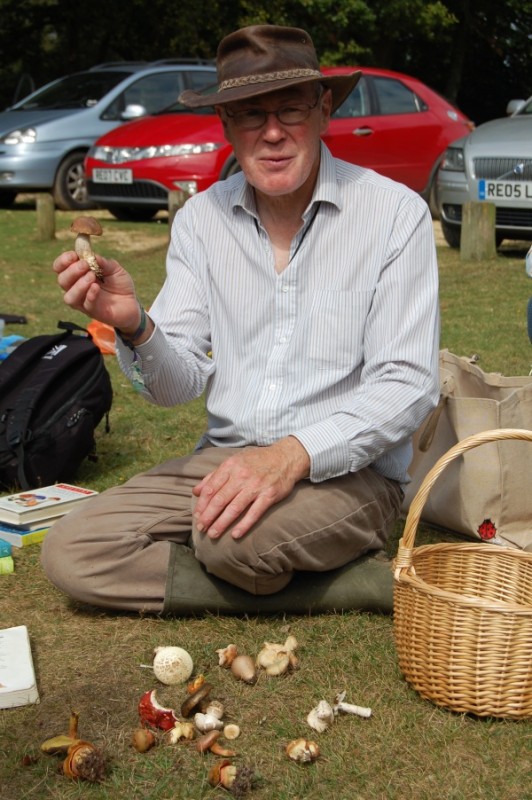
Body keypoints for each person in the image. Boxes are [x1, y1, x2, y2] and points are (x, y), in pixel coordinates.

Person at [41, 24, 440, 616]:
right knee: (72, 550)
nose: (273, 132)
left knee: (232, 544)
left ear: (324, 110)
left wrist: (289, 456)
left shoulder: (393, 214)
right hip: (225, 459)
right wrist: (134, 325)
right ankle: (345, 586)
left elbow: (407, 384)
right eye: (251, 114)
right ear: (226, 123)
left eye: (290, 109)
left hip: (349, 472)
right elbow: (175, 386)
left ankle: (271, 560)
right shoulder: (202, 220)